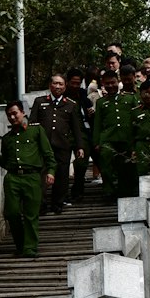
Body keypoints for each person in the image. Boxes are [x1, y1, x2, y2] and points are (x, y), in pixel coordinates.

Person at [0, 100, 55, 257]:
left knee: (30, 215)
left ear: (23, 113)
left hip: (32, 177)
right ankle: (20, 246)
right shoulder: (7, 138)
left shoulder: (36, 130)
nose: (12, 117)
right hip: (13, 178)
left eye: (15, 113)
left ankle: (30, 249)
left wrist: (51, 171)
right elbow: (6, 163)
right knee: (11, 213)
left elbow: (48, 154)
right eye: (9, 115)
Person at [29, 73, 85, 213]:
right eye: (55, 83)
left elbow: (76, 128)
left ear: (65, 87)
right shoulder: (39, 102)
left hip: (62, 146)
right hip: (42, 146)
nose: (58, 86)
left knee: (61, 175)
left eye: (61, 84)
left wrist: (80, 146)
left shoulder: (71, 105)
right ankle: (41, 203)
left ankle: (57, 203)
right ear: (50, 85)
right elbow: (32, 124)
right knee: (41, 175)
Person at [92, 71, 138, 199]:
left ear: (118, 82)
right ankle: (109, 191)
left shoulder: (129, 98)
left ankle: (125, 192)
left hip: (126, 138)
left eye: (113, 82)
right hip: (108, 139)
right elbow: (98, 123)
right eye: (107, 83)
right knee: (106, 164)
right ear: (103, 84)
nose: (111, 86)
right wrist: (96, 142)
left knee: (126, 166)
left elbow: (136, 119)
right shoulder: (101, 102)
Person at [65, 68, 92, 201]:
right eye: (73, 83)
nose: (75, 86)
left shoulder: (83, 94)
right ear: (67, 82)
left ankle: (78, 190)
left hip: (83, 132)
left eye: (78, 83)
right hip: (65, 133)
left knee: (81, 164)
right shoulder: (62, 95)